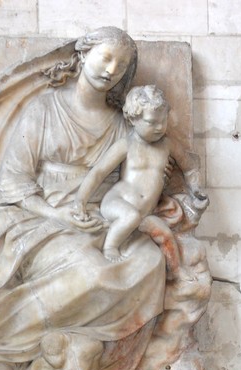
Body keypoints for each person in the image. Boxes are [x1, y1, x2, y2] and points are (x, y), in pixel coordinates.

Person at [0, 28, 210, 370]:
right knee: (91, 270)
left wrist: (158, 187)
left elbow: (128, 182)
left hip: (101, 220)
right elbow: (13, 183)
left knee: (149, 263)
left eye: (121, 66)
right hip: (40, 221)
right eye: (105, 57)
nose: (110, 70)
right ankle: (3, 347)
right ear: (83, 54)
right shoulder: (44, 109)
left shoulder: (121, 125)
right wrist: (58, 212)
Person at [72, 84, 174, 262]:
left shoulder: (167, 145)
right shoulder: (126, 145)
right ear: (133, 119)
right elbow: (99, 172)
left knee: (166, 237)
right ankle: (110, 247)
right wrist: (80, 200)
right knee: (130, 216)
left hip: (146, 213)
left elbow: (190, 165)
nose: (159, 127)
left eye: (163, 121)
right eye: (152, 122)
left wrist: (195, 185)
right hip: (117, 203)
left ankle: (178, 276)